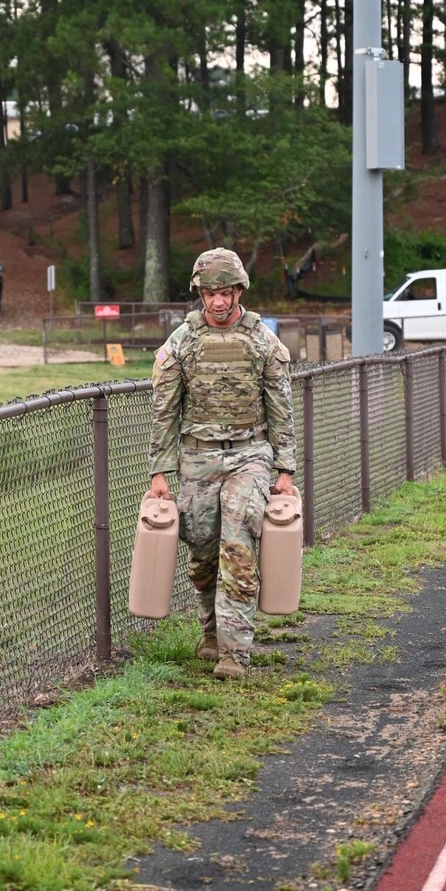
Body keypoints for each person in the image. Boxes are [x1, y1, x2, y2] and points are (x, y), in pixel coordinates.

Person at [148, 248, 297, 680]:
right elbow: (164, 411)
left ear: (239, 291)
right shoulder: (182, 342)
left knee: (238, 542)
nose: (218, 301)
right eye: (210, 292)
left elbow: (281, 410)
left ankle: (235, 653)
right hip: (196, 456)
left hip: (250, 454)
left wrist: (284, 470)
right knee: (202, 548)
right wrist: (159, 472)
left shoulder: (263, 341)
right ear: (200, 293)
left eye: (225, 292)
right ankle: (211, 629)